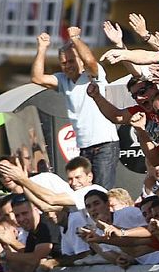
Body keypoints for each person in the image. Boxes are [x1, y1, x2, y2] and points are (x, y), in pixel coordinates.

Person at [31, 27, 119, 187]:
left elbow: (91, 61)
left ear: (80, 61)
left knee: (102, 193)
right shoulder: (63, 80)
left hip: (104, 144)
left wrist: (76, 39)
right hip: (84, 147)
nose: (67, 66)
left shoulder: (92, 76)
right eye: (63, 63)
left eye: (71, 61)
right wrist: (42, 49)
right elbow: (37, 78)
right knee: (85, 194)